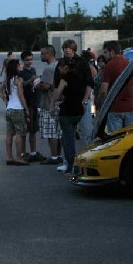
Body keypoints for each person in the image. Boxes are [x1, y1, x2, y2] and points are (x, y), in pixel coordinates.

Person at [53, 39, 94, 172]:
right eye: (65, 48)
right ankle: (70, 163)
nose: (67, 50)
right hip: (67, 104)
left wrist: (86, 99)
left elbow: (89, 82)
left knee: (87, 133)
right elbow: (57, 84)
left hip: (81, 102)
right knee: (68, 138)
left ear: (74, 49)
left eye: (69, 48)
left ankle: (89, 160)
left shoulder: (82, 62)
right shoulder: (61, 62)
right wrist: (57, 99)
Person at [97, 41, 133, 132]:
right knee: (131, 139)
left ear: (112, 52)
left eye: (105, 52)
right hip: (130, 108)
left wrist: (99, 103)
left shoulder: (109, 66)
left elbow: (103, 91)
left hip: (114, 109)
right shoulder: (130, 64)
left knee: (116, 140)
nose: (104, 55)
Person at [51, 57, 84, 176]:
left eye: (60, 67)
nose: (58, 69)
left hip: (67, 112)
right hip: (79, 111)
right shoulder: (79, 77)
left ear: (65, 67)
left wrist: (52, 105)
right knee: (74, 138)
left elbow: (57, 94)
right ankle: (79, 164)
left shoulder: (64, 78)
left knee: (68, 140)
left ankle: (72, 167)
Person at [36, 46, 62, 165]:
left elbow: (45, 86)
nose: (41, 56)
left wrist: (37, 85)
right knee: (58, 131)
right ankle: (59, 155)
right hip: (58, 102)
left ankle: (54, 156)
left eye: (42, 54)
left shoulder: (48, 69)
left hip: (48, 103)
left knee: (51, 132)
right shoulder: (58, 66)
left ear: (49, 54)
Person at [2, 59, 30, 166]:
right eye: (19, 65)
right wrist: (26, 110)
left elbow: (0, 91)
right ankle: (19, 157)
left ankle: (9, 157)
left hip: (9, 109)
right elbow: (21, 96)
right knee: (19, 134)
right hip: (17, 109)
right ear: (16, 67)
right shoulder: (18, 79)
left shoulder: (7, 79)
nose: (20, 67)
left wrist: (6, 101)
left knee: (9, 134)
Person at [18, 50, 45, 162]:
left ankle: (33, 152)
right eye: (27, 60)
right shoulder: (21, 72)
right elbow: (21, 85)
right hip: (26, 103)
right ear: (23, 61)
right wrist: (30, 80)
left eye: (31, 59)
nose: (29, 62)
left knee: (33, 130)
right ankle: (23, 153)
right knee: (25, 130)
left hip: (35, 103)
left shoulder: (33, 70)